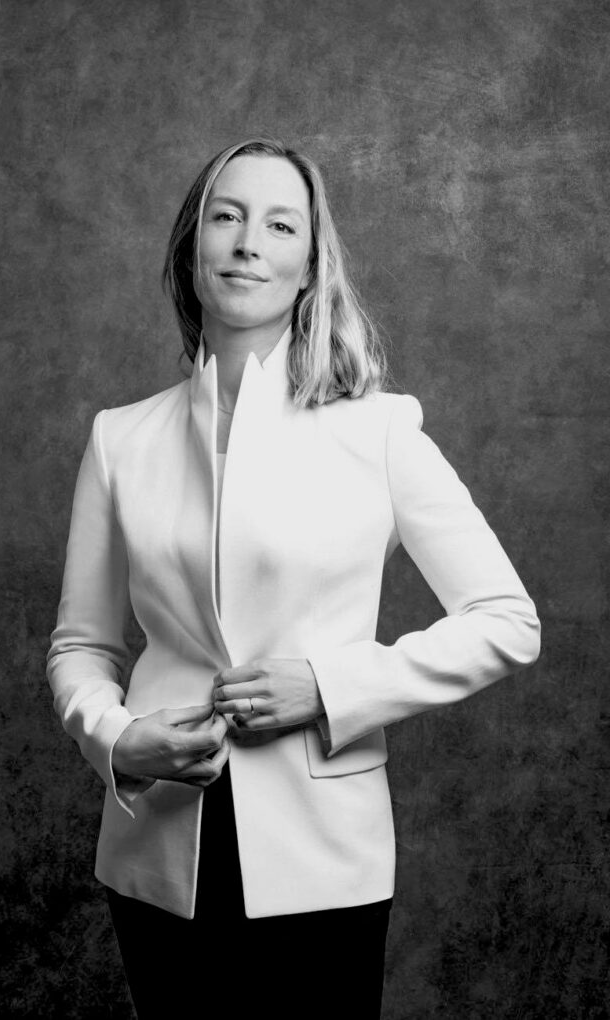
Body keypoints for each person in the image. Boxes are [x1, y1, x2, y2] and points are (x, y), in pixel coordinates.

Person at [47, 137, 540, 1019]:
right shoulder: (120, 439)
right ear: (191, 248)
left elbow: (507, 619)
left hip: (325, 858)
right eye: (226, 217)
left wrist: (327, 686)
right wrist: (118, 741)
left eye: (280, 226)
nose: (248, 243)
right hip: (158, 846)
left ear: (311, 267)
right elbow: (81, 644)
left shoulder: (378, 431)